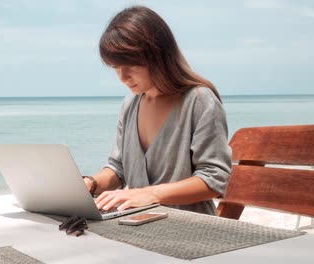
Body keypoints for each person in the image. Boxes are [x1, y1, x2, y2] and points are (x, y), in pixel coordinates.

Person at [82, 6, 232, 215]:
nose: (122, 77)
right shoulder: (130, 104)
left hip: (191, 231)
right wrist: (89, 184)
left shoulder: (199, 100)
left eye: (131, 65)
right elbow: (118, 169)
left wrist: (150, 194)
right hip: (138, 225)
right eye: (115, 66)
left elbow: (214, 180)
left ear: (158, 56)